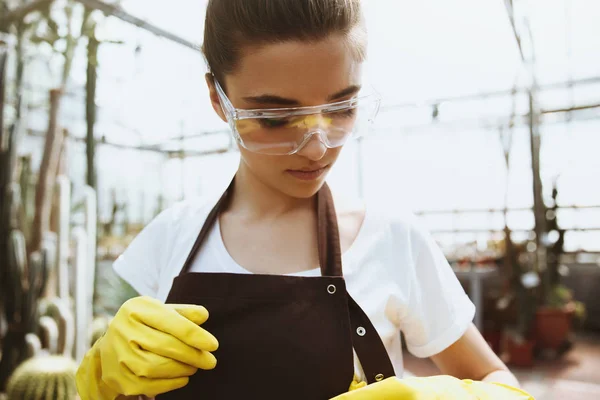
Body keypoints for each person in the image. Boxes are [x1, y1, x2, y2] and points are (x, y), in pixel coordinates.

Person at [76, 0, 534, 399]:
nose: (317, 147)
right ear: (219, 100)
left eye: (341, 109)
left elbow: (496, 377)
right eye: (275, 117)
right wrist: (105, 385)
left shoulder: (393, 239)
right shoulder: (168, 238)